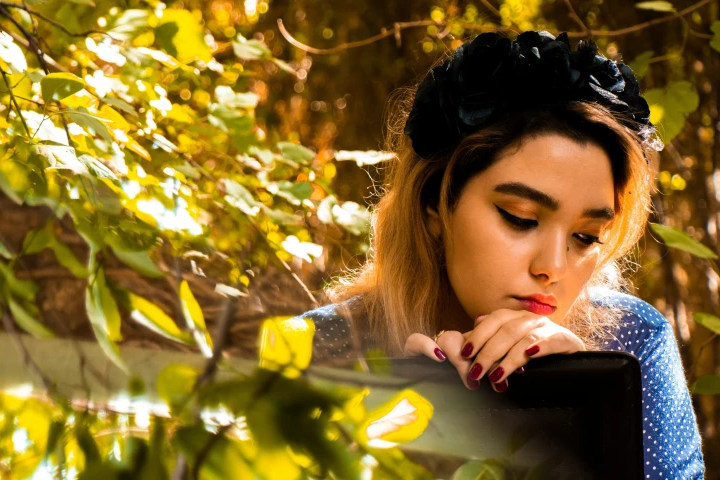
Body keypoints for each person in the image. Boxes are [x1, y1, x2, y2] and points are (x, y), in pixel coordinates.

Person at [297, 30, 705, 478]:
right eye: (520, 218)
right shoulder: (315, 350)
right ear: (434, 203)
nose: (551, 268)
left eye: (587, 236)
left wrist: (578, 407)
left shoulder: (632, 340)